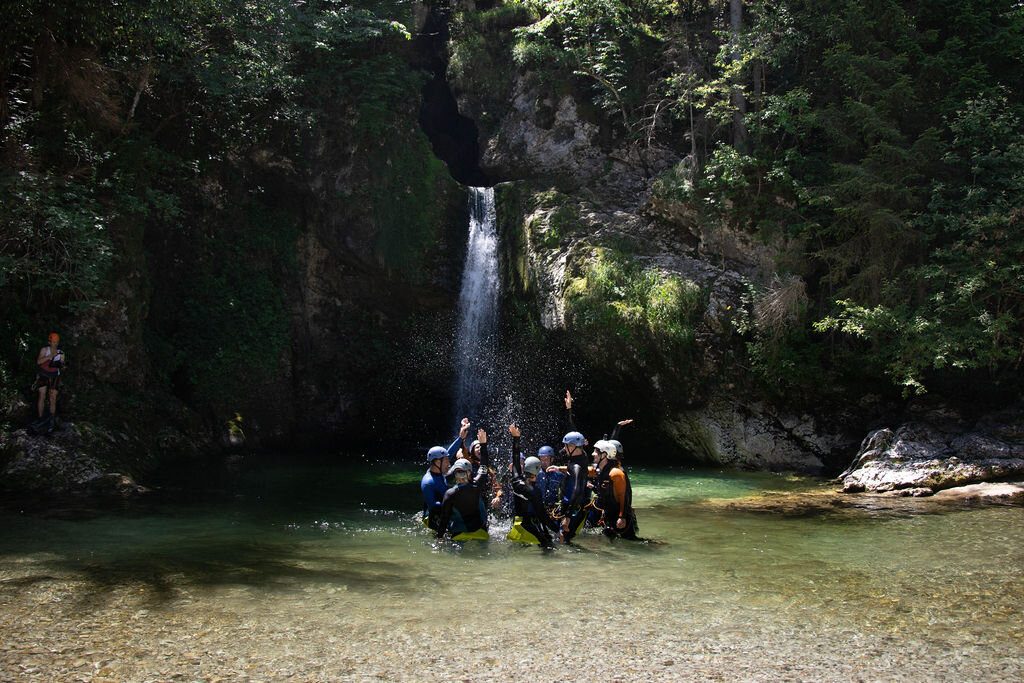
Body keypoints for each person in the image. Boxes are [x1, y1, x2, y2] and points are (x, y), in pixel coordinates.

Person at [506, 425, 560, 549]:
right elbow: (542, 516)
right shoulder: (534, 491)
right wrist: (557, 530)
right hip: (528, 525)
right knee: (549, 547)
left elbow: (515, 458)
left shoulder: (516, 480)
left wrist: (515, 438)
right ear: (537, 471)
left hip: (517, 523)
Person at [436, 428, 492, 541]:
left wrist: (439, 538)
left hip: (459, 532)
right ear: (470, 472)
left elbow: (444, 519)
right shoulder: (477, 485)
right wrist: (483, 444)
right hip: (479, 530)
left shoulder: (450, 493)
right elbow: (484, 465)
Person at [421, 418, 471, 531]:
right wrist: (455, 502)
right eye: (446, 461)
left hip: (445, 510)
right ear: (438, 462)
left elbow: (450, 452)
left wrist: (460, 438)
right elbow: (434, 507)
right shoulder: (428, 482)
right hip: (434, 519)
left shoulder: (438, 471)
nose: (449, 464)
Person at [591, 439, 639, 540]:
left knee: (632, 541)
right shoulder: (600, 470)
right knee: (607, 540)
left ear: (604, 455)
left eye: (596, 451)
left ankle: (656, 545)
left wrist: (622, 517)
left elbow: (624, 497)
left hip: (620, 516)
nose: (592, 454)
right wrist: (559, 468)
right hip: (609, 515)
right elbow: (581, 470)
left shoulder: (616, 473)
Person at [35, 333, 65, 422]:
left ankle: (51, 419)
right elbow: (39, 362)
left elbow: (62, 366)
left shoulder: (61, 353)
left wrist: (62, 366)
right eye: (53, 342)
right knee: (42, 395)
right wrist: (50, 356)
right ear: (49, 342)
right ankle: (40, 418)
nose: (54, 344)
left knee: (53, 397)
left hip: (54, 375)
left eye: (56, 342)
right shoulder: (44, 350)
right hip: (43, 374)